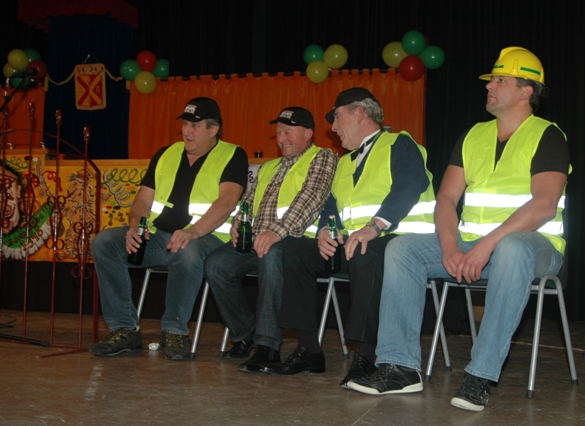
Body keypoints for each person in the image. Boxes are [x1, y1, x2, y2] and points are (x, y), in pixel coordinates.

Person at [346, 47, 571, 412]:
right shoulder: (473, 136)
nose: (489, 86)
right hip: (474, 245)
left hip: (536, 249)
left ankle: (481, 374)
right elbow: (447, 198)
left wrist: (485, 246)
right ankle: (400, 367)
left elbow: (544, 204)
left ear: (526, 90)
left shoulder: (547, 135)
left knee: (512, 247)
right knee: (402, 248)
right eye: (491, 80)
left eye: (500, 80)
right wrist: (450, 246)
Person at [261, 87, 436, 388]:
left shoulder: (400, 143)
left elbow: (409, 185)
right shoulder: (344, 162)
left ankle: (365, 356)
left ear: (360, 113)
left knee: (365, 251)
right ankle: (308, 350)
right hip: (354, 242)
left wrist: (375, 226)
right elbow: (331, 205)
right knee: (295, 251)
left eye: (338, 117)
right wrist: (325, 231)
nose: (333, 127)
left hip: (399, 242)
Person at [90, 97, 248, 360]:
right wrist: (135, 227)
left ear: (213, 129)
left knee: (185, 249)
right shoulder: (166, 153)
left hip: (207, 239)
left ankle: (175, 332)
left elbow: (227, 201)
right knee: (104, 243)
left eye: (195, 125)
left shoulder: (233, 155)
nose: (187, 131)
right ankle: (123, 329)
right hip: (159, 236)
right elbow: (142, 200)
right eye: (185, 124)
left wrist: (193, 231)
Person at [204, 106, 337, 373]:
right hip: (259, 239)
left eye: (288, 132)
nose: (281, 138)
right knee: (216, 264)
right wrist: (239, 221)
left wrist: (277, 231)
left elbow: (310, 198)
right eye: (278, 132)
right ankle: (246, 333)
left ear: (308, 134)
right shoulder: (269, 167)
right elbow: (248, 202)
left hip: (297, 241)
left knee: (271, 253)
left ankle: (267, 346)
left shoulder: (322, 157)